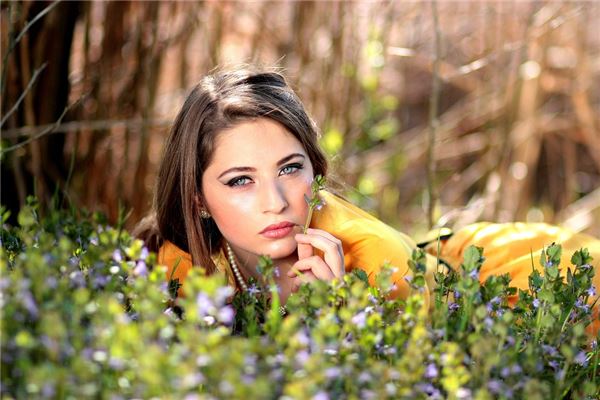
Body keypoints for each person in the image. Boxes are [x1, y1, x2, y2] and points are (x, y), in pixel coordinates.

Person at [135, 66, 600, 316]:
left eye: (290, 169)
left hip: (534, 281)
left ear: (316, 173)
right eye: (241, 180)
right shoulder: (175, 261)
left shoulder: (376, 262)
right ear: (198, 199)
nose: (275, 202)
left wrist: (340, 314)